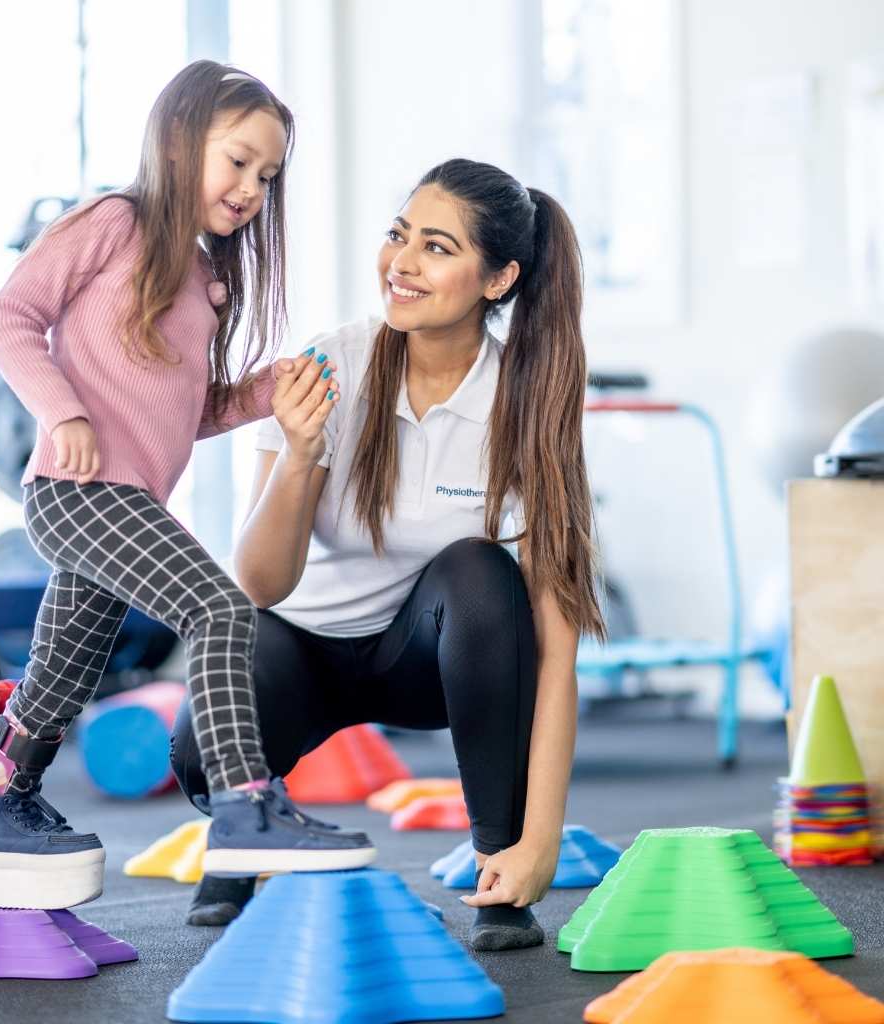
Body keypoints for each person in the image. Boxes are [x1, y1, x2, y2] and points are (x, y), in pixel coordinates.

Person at [0, 60, 375, 913]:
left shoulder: (201, 278)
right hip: (78, 491)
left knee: (63, 674)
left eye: (267, 175)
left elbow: (186, 411)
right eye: (238, 161)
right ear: (180, 142)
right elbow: (9, 317)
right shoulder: (115, 221)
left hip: (126, 502)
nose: (251, 188)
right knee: (219, 609)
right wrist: (64, 412)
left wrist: (263, 390)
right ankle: (246, 805)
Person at [171, 157, 605, 950]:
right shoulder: (331, 364)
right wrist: (301, 455)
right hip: (299, 647)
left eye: (436, 247)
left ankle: (498, 869)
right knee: (200, 745)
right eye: (398, 235)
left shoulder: (525, 402)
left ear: (498, 279)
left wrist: (540, 839)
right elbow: (259, 584)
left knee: (481, 574)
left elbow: (557, 648)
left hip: (427, 662)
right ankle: (243, 829)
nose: (401, 263)